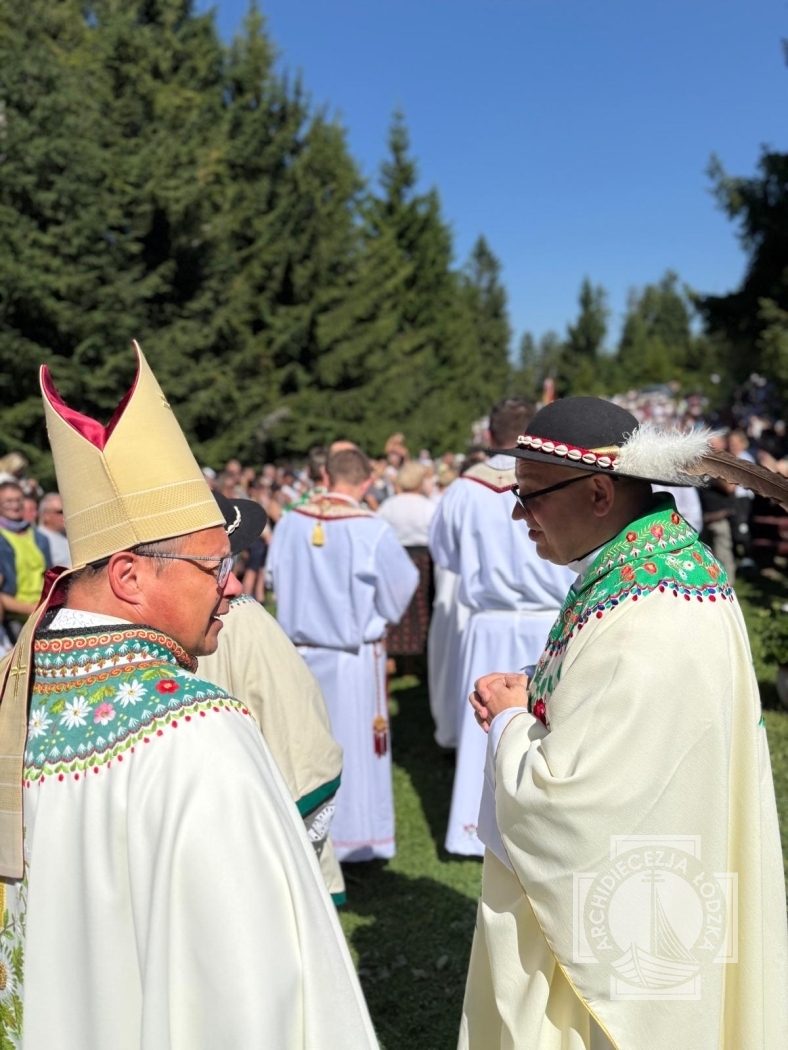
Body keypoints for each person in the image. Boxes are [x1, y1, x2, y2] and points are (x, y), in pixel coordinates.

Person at [0, 343, 378, 1049]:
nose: (231, 587)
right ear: (129, 577)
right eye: (214, 566)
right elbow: (250, 993)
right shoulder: (198, 729)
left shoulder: (13, 689)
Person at [459, 396, 787, 1050]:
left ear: (600, 493)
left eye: (530, 495)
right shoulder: (649, 571)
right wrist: (536, 688)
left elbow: (569, 803)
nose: (519, 514)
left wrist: (510, 721)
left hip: (634, 910)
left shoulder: (648, 611)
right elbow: (610, 703)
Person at [429, 398, 574, 855]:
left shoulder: (461, 490)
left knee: (486, 725)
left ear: (489, 436)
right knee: (547, 730)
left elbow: (445, 558)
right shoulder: (558, 481)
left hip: (488, 622)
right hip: (548, 621)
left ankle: (475, 829)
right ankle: (542, 831)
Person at [266, 447, 418, 861]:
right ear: (367, 482)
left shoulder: (291, 521)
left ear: (325, 477)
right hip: (352, 658)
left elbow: (273, 578)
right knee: (352, 749)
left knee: (304, 747)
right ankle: (352, 843)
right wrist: (378, 617)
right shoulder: (370, 528)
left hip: (299, 653)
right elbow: (401, 586)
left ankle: (306, 839)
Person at [198, 492, 346, 904]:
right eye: (219, 566)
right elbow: (301, 741)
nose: (233, 583)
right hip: (242, 850)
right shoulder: (241, 619)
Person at [377, 462, 436, 662]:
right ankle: (420, 653)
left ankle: (396, 653)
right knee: (422, 607)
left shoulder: (388, 505)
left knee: (397, 604)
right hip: (423, 560)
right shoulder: (428, 506)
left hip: (395, 559)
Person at [0, 480, 51, 642]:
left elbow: (49, 576)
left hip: (44, 613)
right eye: (8, 501)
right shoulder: (2, 539)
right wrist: (32, 609)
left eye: (18, 500)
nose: (15, 505)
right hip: (16, 619)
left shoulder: (40, 537)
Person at [36, 491, 72, 567]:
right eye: (60, 511)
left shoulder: (69, 535)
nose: (66, 515)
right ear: (46, 515)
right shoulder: (38, 539)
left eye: (67, 510)